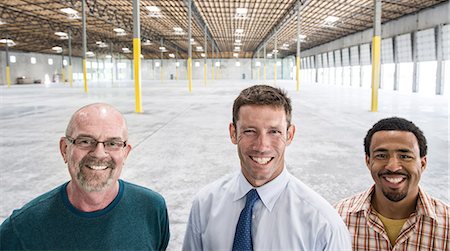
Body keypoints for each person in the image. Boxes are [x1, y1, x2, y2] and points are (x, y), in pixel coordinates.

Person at [182, 85, 351, 251]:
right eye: (249, 131)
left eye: (274, 132)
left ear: (289, 135)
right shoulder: (205, 204)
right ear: (233, 133)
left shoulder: (323, 224)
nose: (262, 146)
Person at [0, 103, 170, 250]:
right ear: (65, 149)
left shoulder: (152, 209)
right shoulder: (23, 228)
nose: (99, 154)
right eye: (85, 141)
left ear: (125, 153)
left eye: (112, 143)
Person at [335, 117, 449, 250]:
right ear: (368, 161)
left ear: (422, 163)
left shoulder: (447, 226)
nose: (393, 167)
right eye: (382, 156)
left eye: (405, 156)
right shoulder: (338, 219)